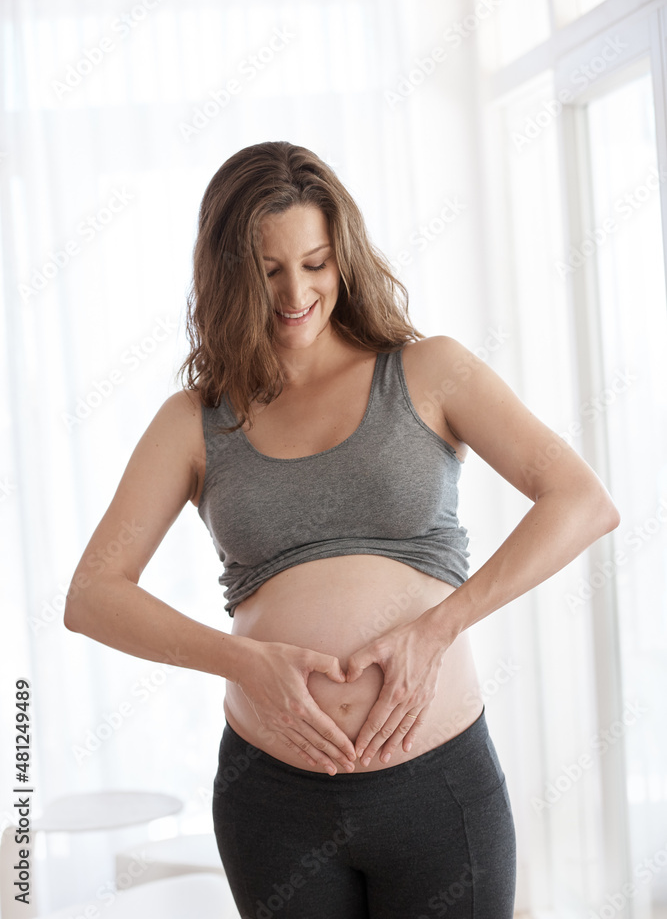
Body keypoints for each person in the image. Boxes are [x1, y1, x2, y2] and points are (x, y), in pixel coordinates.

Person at [65, 140, 620, 918]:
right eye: (268, 270)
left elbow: (581, 500)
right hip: (273, 801)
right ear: (228, 275)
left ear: (343, 258)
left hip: (437, 787)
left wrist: (437, 629)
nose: (296, 292)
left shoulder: (428, 370)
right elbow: (91, 596)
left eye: (316, 263)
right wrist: (245, 663)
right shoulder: (195, 419)